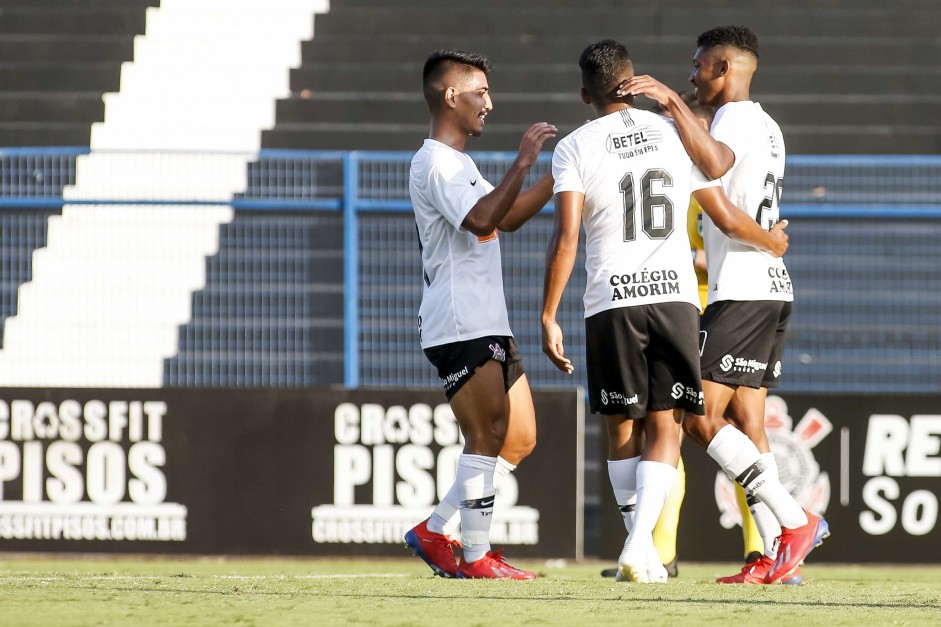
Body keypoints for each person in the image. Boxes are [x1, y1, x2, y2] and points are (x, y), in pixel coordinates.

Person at [542, 39, 787, 584]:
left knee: (653, 427)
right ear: (634, 81)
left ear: (585, 94)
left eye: (699, 68)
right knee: (690, 425)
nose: (692, 78)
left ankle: (765, 540)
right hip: (688, 298)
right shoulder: (690, 135)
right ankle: (748, 544)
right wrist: (771, 244)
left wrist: (548, 312)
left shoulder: (580, 145)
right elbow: (721, 187)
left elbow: (566, 236)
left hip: (648, 298)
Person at [619, 25, 830, 584]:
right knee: (746, 425)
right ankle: (770, 560)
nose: (690, 75)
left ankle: (795, 520)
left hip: (743, 290)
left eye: (697, 66)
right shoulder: (767, 124)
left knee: (695, 417)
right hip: (768, 289)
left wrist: (667, 100)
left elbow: (716, 177)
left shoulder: (734, 119)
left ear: (723, 68)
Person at [404, 49, 557, 580]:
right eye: (480, 93)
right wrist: (524, 161)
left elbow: (507, 217)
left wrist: (563, 177)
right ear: (451, 96)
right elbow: (482, 219)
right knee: (489, 433)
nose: (489, 103)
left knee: (518, 437)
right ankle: (474, 557)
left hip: (487, 319)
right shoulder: (434, 162)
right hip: (458, 319)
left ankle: (436, 526)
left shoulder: (460, 163)